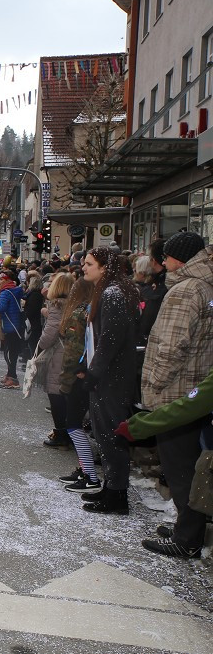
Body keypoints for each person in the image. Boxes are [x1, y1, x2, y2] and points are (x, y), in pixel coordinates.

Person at [138, 233, 212, 555]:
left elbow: (171, 346)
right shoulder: (204, 285)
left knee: (179, 468)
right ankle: (187, 525)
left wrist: (154, 383)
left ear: (179, 259)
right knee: (189, 465)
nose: (162, 262)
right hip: (194, 390)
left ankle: (187, 541)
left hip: (175, 393)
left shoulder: (185, 290)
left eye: (166, 257)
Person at [116, 364, 213, 559]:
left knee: (190, 479)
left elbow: (192, 403)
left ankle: (187, 540)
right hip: (188, 408)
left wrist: (141, 425)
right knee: (190, 478)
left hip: (177, 399)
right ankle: (186, 533)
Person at [76, 247, 140, 515]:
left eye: (89, 263)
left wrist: (94, 372)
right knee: (104, 433)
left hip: (112, 377)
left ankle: (116, 495)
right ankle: (111, 487)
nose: (84, 268)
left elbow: (109, 340)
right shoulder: (114, 291)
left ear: (105, 267)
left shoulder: (113, 294)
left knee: (110, 433)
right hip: (111, 374)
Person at [56, 278, 100, 491]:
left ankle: (90, 475)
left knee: (73, 424)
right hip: (89, 372)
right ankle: (85, 470)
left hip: (78, 375)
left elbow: (74, 350)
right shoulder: (92, 311)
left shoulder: (79, 314)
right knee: (76, 423)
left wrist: (68, 375)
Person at [36, 272, 75, 449]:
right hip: (72, 352)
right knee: (67, 395)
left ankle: (61, 433)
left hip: (58, 354)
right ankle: (69, 432)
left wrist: (40, 346)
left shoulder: (57, 305)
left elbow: (48, 335)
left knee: (56, 394)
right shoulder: (74, 304)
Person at [0, 270, 25, 390]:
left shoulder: (5, 292)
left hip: (10, 324)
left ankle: (13, 378)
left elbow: (2, 307)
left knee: (9, 353)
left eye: (1, 280)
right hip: (16, 323)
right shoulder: (14, 290)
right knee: (12, 351)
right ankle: (9, 375)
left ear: (7, 280)